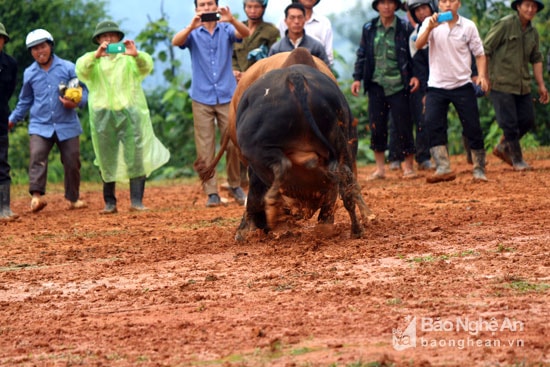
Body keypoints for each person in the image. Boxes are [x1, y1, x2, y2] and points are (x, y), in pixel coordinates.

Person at [76, 21, 170, 214]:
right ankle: (109, 203)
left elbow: (146, 66)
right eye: (104, 36)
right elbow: (81, 70)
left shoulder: (129, 59)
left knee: (135, 156)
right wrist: (96, 56)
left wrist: (136, 55)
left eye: (112, 35)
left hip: (130, 115)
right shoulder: (92, 60)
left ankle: (137, 201)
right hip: (103, 116)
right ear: (98, 40)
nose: (108, 39)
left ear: (119, 38)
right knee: (105, 157)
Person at [172, 0, 249, 208]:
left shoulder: (226, 29)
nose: (206, 8)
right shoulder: (193, 33)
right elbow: (175, 41)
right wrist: (191, 26)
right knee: (205, 147)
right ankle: (212, 192)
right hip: (201, 97)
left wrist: (231, 18)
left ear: (216, 6)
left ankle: (235, 185)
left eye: (209, 4)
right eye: (202, 5)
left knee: (233, 143)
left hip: (227, 95)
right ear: (196, 9)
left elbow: (245, 33)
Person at [9, 29, 88, 212]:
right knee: (37, 157)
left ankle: (73, 199)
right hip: (40, 124)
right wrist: (12, 119)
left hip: (67, 123)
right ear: (31, 52)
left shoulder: (68, 68)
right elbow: (25, 100)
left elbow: (84, 92)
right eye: (34, 49)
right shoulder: (29, 73)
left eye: (43, 46)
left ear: (50, 46)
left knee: (72, 161)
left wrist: (75, 103)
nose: (39, 51)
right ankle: (36, 198)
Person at [415, 0, 489, 183]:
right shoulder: (429, 23)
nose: (448, 4)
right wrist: (430, 28)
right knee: (432, 123)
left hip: (462, 84)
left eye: (452, 0)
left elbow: (479, 53)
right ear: (439, 5)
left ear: (459, 3)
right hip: (436, 85)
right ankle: (443, 166)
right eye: (443, 1)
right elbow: (418, 45)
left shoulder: (468, 26)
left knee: (472, 126)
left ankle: (479, 168)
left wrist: (482, 75)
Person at [351, 0, 420, 180]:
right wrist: (357, 78)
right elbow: (362, 54)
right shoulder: (369, 28)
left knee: (404, 125)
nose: (387, 6)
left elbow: (414, 54)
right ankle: (380, 169)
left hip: (399, 84)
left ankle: (408, 167)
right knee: (377, 126)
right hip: (376, 84)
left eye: (390, 3)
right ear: (377, 6)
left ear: (396, 6)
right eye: (383, 3)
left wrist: (415, 76)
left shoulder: (404, 27)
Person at [484, 0, 549, 171]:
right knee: (509, 123)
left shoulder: (533, 33)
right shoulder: (504, 25)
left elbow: (536, 58)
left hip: (522, 85)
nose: (530, 9)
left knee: (527, 120)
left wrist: (541, 85)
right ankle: (517, 160)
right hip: (501, 82)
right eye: (526, 5)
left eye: (533, 6)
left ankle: (503, 146)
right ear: (518, 6)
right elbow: (486, 49)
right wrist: (484, 77)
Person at [405, 0, 436, 171]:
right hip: (427, 83)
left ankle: (472, 153)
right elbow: (419, 66)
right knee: (424, 119)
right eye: (417, 10)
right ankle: (423, 157)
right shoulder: (414, 36)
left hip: (452, 79)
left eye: (424, 8)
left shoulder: (446, 28)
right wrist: (426, 91)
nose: (422, 12)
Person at [232, 0, 279, 83]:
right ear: (244, 8)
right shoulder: (237, 29)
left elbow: (274, 59)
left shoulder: (272, 31)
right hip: (237, 81)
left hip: (260, 81)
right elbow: (232, 55)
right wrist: (235, 71)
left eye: (256, 7)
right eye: (249, 7)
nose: (253, 11)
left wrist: (249, 74)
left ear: (263, 8)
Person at [0, 23, 18, 221]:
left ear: (4, 40)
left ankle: (4, 209)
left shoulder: (10, 64)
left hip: (0, 119)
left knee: (2, 164)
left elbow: (9, 91)